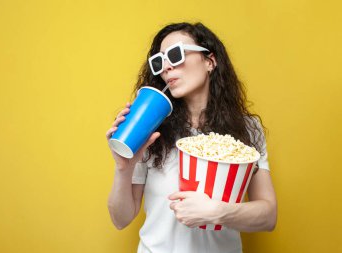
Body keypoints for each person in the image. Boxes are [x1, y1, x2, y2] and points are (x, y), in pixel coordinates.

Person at [106, 22, 277, 253]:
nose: (166, 67)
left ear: (210, 61)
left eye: (175, 55)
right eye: (159, 61)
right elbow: (121, 219)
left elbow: (268, 216)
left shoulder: (246, 129)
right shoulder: (150, 131)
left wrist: (218, 212)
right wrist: (123, 168)